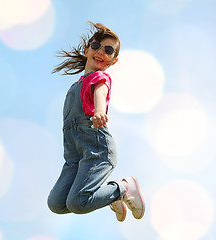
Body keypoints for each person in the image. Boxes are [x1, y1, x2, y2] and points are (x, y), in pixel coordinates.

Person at [47, 22, 145, 222]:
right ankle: (107, 195)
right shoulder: (77, 85)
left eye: (108, 50)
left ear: (113, 61)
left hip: (97, 150)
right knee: (56, 203)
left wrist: (100, 111)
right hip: (74, 157)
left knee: (78, 203)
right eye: (97, 46)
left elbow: (101, 92)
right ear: (87, 49)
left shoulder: (100, 78)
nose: (101, 52)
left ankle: (122, 188)